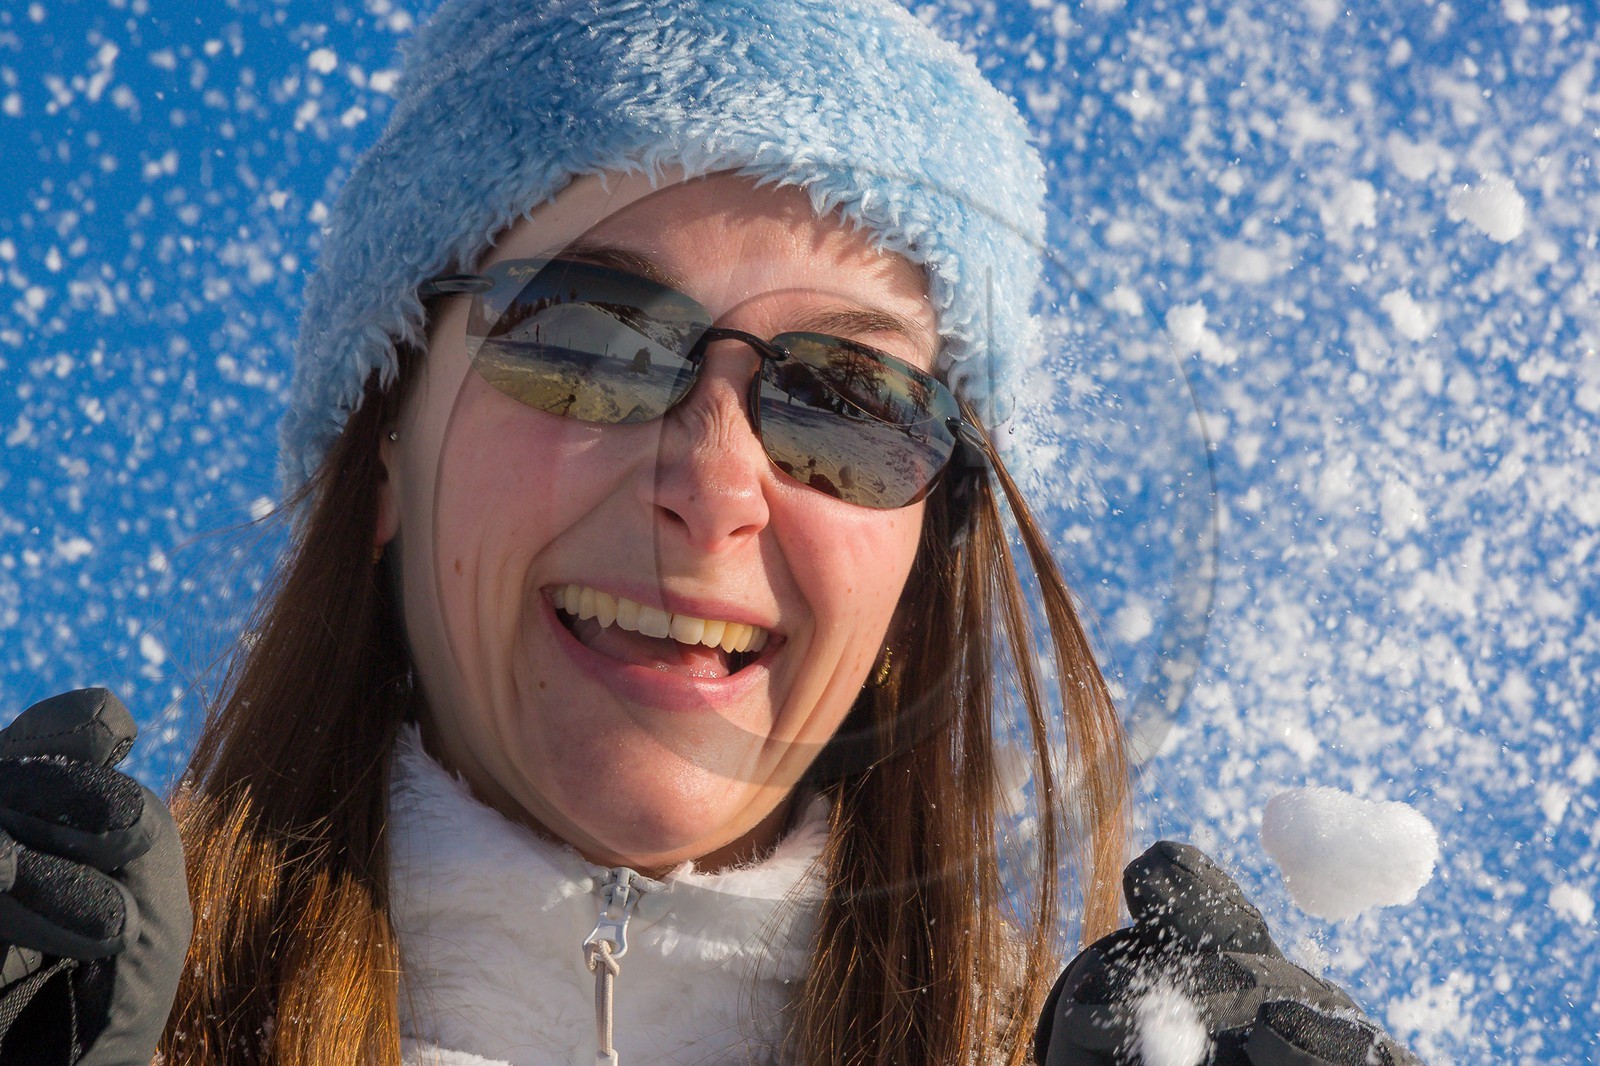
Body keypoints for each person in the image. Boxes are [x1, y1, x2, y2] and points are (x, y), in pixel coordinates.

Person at [0, 1, 1423, 1064]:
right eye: (589, 335)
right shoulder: (67, 1000)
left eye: (850, 398)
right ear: (388, 444)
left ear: (926, 557)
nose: (714, 479)